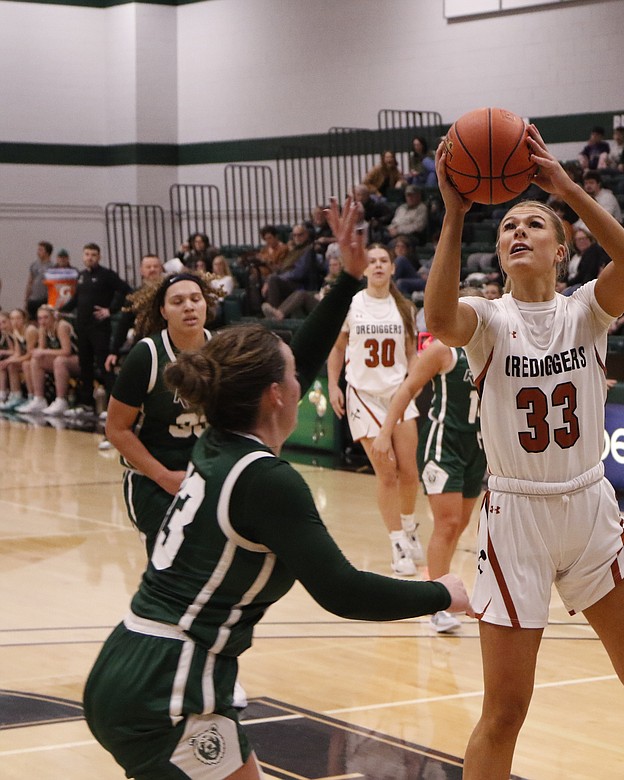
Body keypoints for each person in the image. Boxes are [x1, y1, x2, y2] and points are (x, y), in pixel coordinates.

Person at [83, 203, 469, 779]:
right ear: (275, 396)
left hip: (143, 663)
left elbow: (301, 357)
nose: (302, 380)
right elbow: (343, 591)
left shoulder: (218, 440)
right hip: (168, 685)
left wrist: (345, 277)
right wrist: (445, 594)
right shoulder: (265, 480)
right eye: (293, 377)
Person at [426, 123, 624, 780]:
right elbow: (438, 319)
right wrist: (455, 212)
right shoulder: (487, 320)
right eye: (508, 228)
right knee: (505, 712)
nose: (518, 232)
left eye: (534, 225)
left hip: (588, 510)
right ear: (499, 255)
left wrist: (566, 187)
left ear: (561, 250)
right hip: (516, 520)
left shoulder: (587, 311)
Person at [104, 274, 219, 551]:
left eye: (195, 299)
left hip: (210, 477)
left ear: (206, 305)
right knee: (171, 565)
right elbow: (116, 429)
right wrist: (164, 477)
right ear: (163, 311)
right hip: (153, 481)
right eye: (178, 302)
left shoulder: (222, 351)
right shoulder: (147, 355)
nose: (189, 307)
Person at [327, 243, 423, 577]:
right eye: (372, 261)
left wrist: (415, 379)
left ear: (393, 269)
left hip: (398, 393)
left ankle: (410, 527)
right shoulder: (353, 305)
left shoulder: (404, 307)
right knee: (388, 471)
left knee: (410, 472)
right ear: (365, 269)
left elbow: (412, 353)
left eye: (384, 261)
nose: (378, 266)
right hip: (363, 395)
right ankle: (397, 543)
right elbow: (337, 350)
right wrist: (332, 385)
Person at [383, 329, 486, 634]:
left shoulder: (491, 350)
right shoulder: (443, 351)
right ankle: (437, 603)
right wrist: (385, 431)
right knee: (448, 523)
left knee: (460, 524)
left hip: (477, 446)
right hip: (444, 444)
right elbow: (407, 389)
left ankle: (438, 582)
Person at [56, 243, 132, 416]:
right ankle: (86, 404)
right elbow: (76, 299)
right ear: (83, 256)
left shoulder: (107, 275)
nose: (89, 257)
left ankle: (112, 407)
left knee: (104, 364)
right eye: (87, 254)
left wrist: (110, 310)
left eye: (93, 255)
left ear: (99, 257)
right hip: (82, 327)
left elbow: (126, 290)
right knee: (85, 366)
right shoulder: (81, 276)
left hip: (99, 328)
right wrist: (59, 310)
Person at [15, 305, 78, 415]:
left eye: (45, 317)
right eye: (40, 318)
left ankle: (61, 400)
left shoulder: (61, 326)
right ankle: (39, 399)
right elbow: (41, 349)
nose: (42, 321)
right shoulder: (42, 329)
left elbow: (67, 351)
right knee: (35, 360)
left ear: (53, 317)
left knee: (59, 361)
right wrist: (35, 351)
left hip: (78, 359)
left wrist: (43, 352)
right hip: (61, 360)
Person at [0, 309, 33, 410]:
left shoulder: (30, 330)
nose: (15, 321)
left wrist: (9, 358)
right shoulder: (14, 332)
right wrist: (8, 361)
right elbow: (18, 353)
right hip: (26, 358)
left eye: (18, 318)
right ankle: (16, 396)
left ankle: (33, 398)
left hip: (35, 360)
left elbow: (30, 354)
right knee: (9, 364)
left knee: (24, 364)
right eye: (13, 318)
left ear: (24, 319)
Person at [24, 240, 53, 317]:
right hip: (32, 299)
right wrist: (26, 299)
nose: (38, 252)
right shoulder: (34, 265)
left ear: (47, 252)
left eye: (41, 250)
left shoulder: (52, 267)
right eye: (38, 249)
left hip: (44, 299)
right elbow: (30, 282)